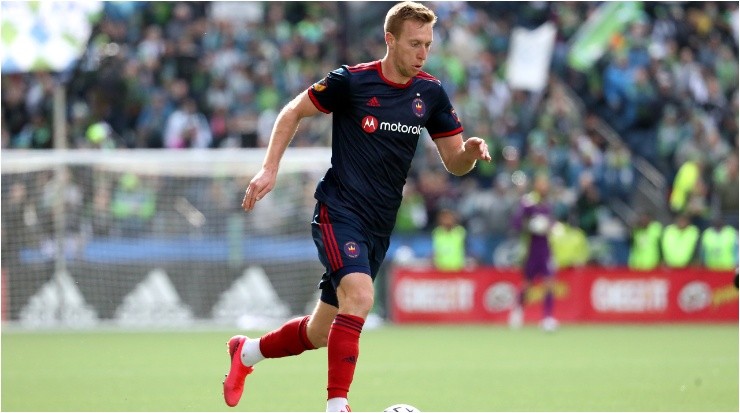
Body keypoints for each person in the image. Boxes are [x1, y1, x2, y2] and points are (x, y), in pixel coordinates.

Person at [223, 2, 491, 412]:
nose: (423, 53)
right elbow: (293, 111)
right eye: (415, 44)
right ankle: (337, 405)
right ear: (390, 39)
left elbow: (454, 162)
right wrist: (269, 169)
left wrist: (470, 152)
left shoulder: (431, 93)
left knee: (318, 332)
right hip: (339, 210)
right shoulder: (352, 82)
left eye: (428, 45)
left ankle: (246, 353)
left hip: (379, 226)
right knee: (362, 297)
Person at [509, 174, 558, 332]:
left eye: (545, 184)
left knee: (549, 283)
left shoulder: (547, 204)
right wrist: (530, 225)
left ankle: (547, 317)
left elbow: (551, 223)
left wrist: (550, 227)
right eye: (541, 184)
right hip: (531, 249)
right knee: (527, 284)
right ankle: (518, 310)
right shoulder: (529, 202)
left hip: (545, 250)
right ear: (536, 185)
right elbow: (516, 223)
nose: (544, 187)